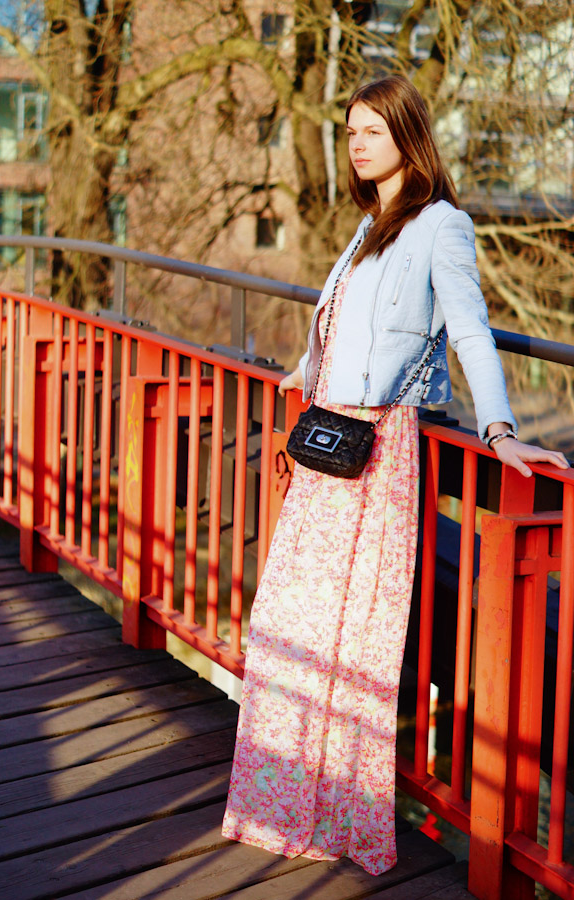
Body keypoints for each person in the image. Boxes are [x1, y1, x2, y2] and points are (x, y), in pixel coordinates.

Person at [221, 74, 569, 876]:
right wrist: (304, 367)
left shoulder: (441, 225)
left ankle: (334, 814)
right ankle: (281, 802)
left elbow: (471, 333)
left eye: (373, 130)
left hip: (375, 453)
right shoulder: (368, 222)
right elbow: (341, 317)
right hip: (327, 446)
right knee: (292, 626)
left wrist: (502, 429)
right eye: (350, 132)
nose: (358, 144)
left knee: (351, 641)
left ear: (410, 135)